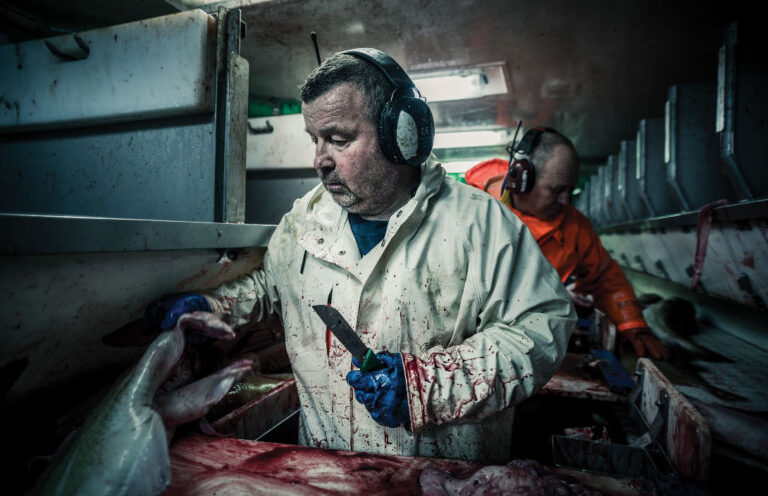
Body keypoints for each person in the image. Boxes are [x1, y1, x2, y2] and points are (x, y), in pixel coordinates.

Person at [144, 50, 576, 462]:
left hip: (438, 480)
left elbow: (540, 329)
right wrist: (215, 305)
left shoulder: (482, 225)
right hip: (330, 476)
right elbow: (272, 288)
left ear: (402, 136)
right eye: (315, 140)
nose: (320, 160)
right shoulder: (302, 223)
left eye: (338, 139)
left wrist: (426, 386)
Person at [464, 127, 669, 360]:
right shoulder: (474, 206)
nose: (565, 200)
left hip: (522, 346)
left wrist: (633, 325)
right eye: (557, 190)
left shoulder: (576, 228)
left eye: (570, 190)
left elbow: (606, 278)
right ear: (521, 179)